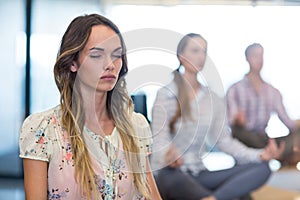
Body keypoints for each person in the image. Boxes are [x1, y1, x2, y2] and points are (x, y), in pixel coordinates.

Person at [19, 14, 161, 200]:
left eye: (117, 55)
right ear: (72, 63)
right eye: (96, 55)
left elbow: (150, 196)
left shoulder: (136, 126)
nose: (110, 65)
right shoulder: (42, 128)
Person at [150, 33, 285, 200]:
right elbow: (159, 140)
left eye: (204, 52)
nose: (201, 57)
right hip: (172, 174)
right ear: (181, 56)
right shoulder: (166, 95)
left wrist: (259, 155)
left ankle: (213, 198)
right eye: (195, 51)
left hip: (200, 173)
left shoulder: (212, 99)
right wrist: (168, 156)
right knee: (173, 178)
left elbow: (224, 141)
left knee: (262, 168)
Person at [226, 43, 300, 162]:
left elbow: (287, 122)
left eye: (261, 56)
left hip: (264, 139)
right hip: (245, 138)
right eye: (255, 56)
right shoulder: (234, 90)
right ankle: (273, 152)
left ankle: (272, 151)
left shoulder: (272, 92)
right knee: (240, 132)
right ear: (247, 58)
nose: (259, 60)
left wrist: (297, 124)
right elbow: (230, 123)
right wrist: (237, 120)